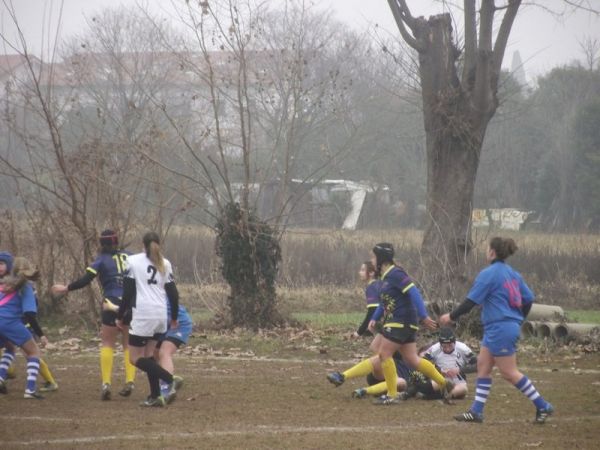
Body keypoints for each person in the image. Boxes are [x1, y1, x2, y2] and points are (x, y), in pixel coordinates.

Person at [440, 237, 554, 424]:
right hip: (500, 327)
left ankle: (543, 406)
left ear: (492, 252)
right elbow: (528, 299)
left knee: (509, 372)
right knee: (483, 367)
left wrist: (451, 316)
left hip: (500, 327)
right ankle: (476, 412)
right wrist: (517, 320)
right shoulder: (513, 274)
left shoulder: (489, 274)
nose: (486, 252)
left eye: (487, 249)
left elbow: (471, 301)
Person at [328, 243, 449, 405]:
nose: (372, 260)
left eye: (373, 257)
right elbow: (384, 303)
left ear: (381, 259)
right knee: (412, 359)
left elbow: (414, 292)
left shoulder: (395, 273)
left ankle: (391, 394)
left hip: (401, 320)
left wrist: (424, 316)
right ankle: (444, 383)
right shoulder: (386, 277)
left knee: (384, 354)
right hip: (404, 321)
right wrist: (375, 318)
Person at [52, 230, 136, 400]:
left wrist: (67, 288)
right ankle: (130, 381)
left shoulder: (101, 260)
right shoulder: (131, 256)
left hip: (111, 301)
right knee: (128, 344)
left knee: (107, 343)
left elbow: (86, 279)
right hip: (130, 302)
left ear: (101, 243)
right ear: (116, 242)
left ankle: (106, 383)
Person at [117, 231, 178, 407]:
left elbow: (127, 293)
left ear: (143, 246)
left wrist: (121, 317)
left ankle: (169, 379)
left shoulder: (133, 261)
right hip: (160, 315)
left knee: (134, 358)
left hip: (143, 315)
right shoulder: (165, 263)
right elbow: (173, 293)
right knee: (149, 355)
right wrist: (173, 317)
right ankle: (155, 396)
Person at [0, 253, 44, 399]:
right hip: (9, 322)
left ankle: (0, 377)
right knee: (34, 352)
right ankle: (30, 390)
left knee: (10, 348)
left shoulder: (4, 284)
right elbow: (30, 314)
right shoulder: (26, 287)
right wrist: (41, 334)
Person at [404, 327, 477, 400]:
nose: (447, 349)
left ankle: (434, 396)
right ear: (440, 344)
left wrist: (460, 370)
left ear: (454, 342)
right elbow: (422, 363)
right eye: (444, 346)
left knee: (463, 390)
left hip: (458, 382)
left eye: (450, 346)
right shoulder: (434, 349)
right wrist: (440, 370)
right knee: (431, 385)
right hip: (440, 379)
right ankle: (411, 392)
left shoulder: (463, 348)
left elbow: (477, 366)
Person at [154, 304, 193, 398]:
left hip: (179, 323)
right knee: (154, 353)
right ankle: (168, 379)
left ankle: (166, 387)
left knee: (164, 352)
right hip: (162, 325)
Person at [350, 261, 381, 339]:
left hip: (392, 323)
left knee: (379, 347)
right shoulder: (378, 284)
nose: (359, 272)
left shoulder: (372, 287)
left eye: (363, 270)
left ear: (371, 273)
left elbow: (372, 312)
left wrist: (359, 332)